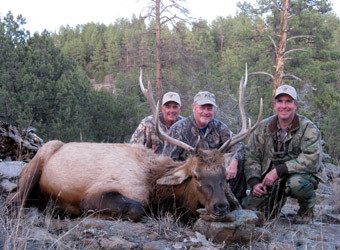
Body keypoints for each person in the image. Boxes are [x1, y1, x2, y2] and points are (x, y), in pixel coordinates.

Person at [242, 84, 327, 223]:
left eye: (288, 101)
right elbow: (252, 156)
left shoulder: (309, 128)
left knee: (297, 184)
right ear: (275, 104)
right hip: (271, 181)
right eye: (280, 101)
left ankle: (306, 210)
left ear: (296, 105)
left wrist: (279, 170)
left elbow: (312, 159)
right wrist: (255, 182)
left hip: (297, 176)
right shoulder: (263, 127)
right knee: (250, 211)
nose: (284, 106)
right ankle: (273, 208)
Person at [162, 91, 246, 201]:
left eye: (209, 108)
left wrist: (234, 161)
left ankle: (236, 203)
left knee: (238, 163)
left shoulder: (219, 127)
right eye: (202, 108)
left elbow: (239, 146)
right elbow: (168, 161)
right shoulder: (179, 129)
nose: (206, 112)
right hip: (192, 180)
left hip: (213, 177)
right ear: (194, 108)